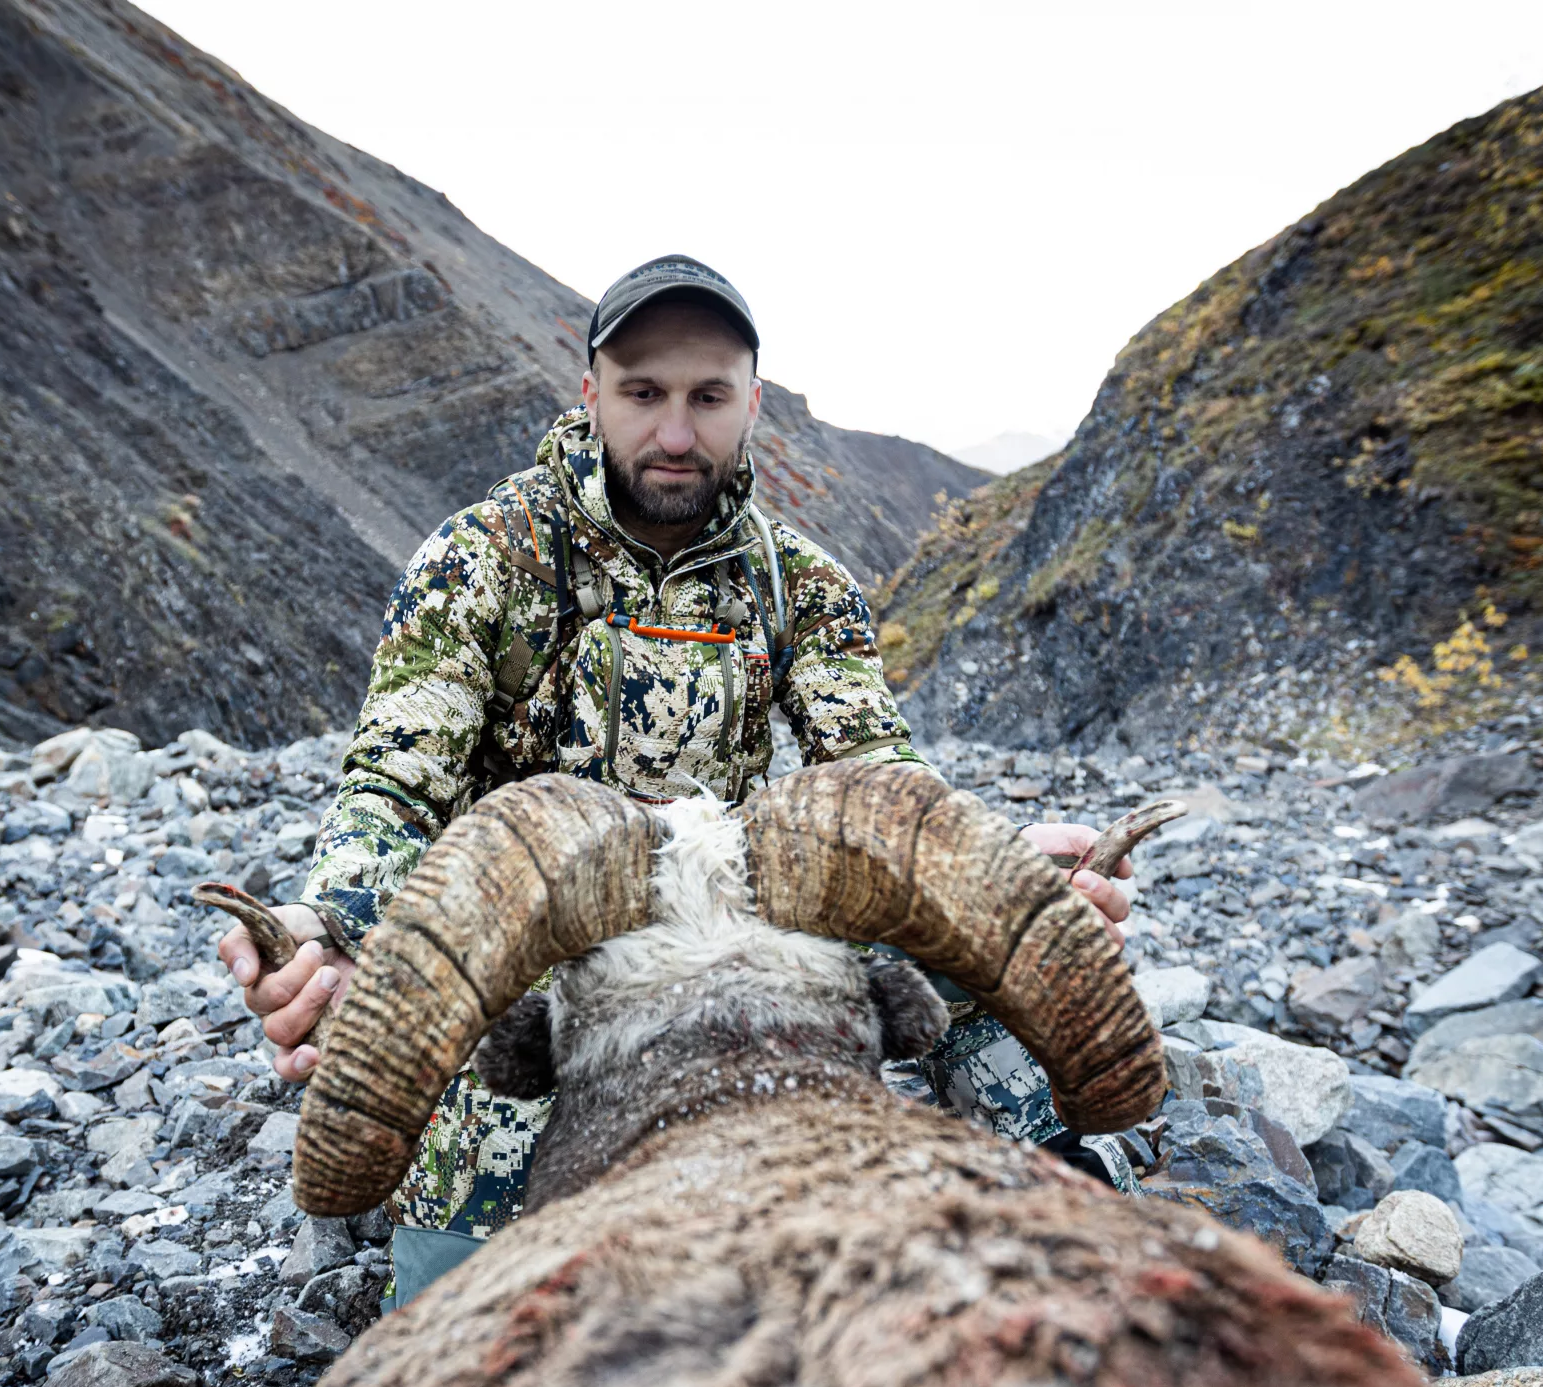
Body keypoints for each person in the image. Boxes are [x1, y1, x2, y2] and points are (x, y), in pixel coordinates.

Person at [217, 255, 1133, 1275]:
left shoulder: (804, 586)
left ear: (753, 402)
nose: (676, 435)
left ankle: (1056, 1212)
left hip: (740, 960)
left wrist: (1009, 876)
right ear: (591, 393)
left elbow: (880, 786)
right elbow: (394, 785)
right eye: (643, 394)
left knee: (999, 1004)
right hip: (541, 980)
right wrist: (333, 922)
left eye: (709, 398)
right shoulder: (478, 560)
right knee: (475, 1314)